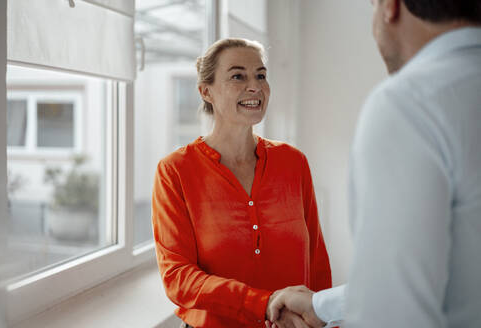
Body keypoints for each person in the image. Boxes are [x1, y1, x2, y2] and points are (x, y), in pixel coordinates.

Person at [266, 0, 481, 327]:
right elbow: (461, 275)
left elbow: (394, 314)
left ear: (390, 6)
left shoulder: (410, 104)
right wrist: (323, 306)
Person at [151, 38, 332, 328]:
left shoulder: (293, 162)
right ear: (205, 91)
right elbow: (178, 278)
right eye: (238, 76)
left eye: (261, 75)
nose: (255, 86)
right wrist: (264, 303)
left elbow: (317, 262)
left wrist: (326, 319)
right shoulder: (176, 171)